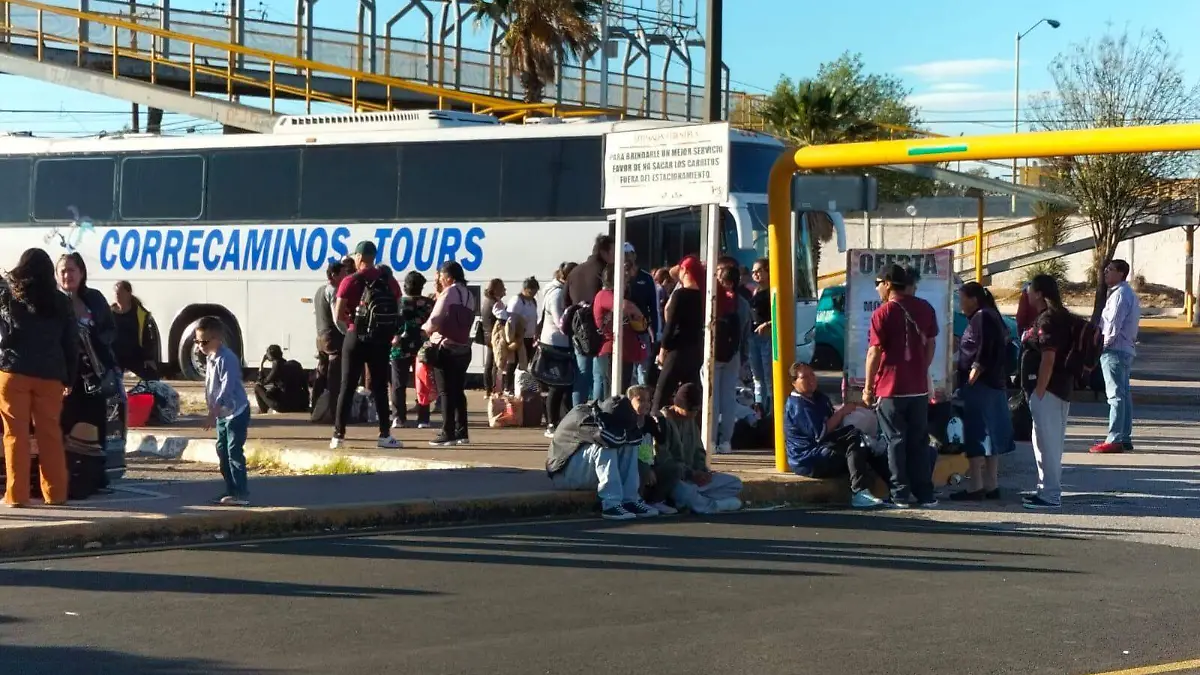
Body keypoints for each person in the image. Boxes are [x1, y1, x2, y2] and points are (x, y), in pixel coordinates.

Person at [0, 249, 77, 507]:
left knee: (15, 435)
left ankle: (16, 495)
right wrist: (70, 377)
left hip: (14, 372)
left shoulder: (9, 296)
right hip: (50, 375)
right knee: (50, 434)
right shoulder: (61, 302)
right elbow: (71, 343)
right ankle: (55, 494)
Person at [863, 264, 939, 509]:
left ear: (887, 283)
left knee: (895, 441)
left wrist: (867, 387)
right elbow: (931, 345)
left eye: (878, 284)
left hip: (890, 389)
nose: (877, 289)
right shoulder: (925, 308)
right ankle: (925, 494)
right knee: (918, 441)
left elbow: (874, 352)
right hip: (918, 389)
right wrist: (920, 368)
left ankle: (900, 495)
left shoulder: (882, 314)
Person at [330, 241, 403, 450]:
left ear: (359, 258)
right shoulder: (388, 280)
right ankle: (385, 435)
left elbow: (338, 314)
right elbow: (397, 307)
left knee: (347, 386)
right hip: (380, 339)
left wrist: (351, 327)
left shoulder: (350, 281)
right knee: (380, 387)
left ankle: (338, 436)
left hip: (355, 337)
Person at [784, 362, 888, 509]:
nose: (811, 379)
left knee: (863, 442)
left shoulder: (818, 397)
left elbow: (832, 417)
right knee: (854, 439)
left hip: (823, 448)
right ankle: (859, 492)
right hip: (808, 458)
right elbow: (820, 434)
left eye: (812, 374)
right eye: (804, 377)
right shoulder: (798, 405)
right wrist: (842, 412)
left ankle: (896, 488)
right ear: (794, 382)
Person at [56, 253, 119, 488]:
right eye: (62, 270)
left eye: (71, 270)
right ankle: (69, 474)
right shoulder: (54, 301)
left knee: (96, 423)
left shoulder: (94, 298)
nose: (67, 275)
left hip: (96, 372)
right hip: (67, 376)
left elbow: (110, 330)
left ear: (81, 273)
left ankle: (96, 475)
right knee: (67, 424)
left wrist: (92, 333)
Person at [546, 394, 659, 520]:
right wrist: (627, 432)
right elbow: (608, 440)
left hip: (584, 472)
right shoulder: (583, 416)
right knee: (604, 447)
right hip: (563, 474)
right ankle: (611, 504)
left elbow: (636, 440)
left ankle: (630, 499)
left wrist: (629, 430)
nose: (646, 405)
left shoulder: (618, 418)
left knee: (630, 445)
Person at [949, 282, 1014, 501]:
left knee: (976, 434)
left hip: (981, 385)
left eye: (962, 299)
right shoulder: (988, 315)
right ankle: (991, 484)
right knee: (989, 434)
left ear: (974, 299)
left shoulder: (982, 317)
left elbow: (985, 348)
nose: (960, 304)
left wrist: (974, 373)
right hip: (991, 384)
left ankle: (976, 485)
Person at [1020, 274, 1075, 510]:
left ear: (1040, 293)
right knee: (1049, 442)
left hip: (1049, 391)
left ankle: (1050, 494)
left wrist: (1039, 391)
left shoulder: (1048, 319)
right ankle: (1045, 489)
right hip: (1059, 388)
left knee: (1047, 443)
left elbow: (1048, 357)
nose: (1028, 294)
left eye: (1030, 290)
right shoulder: (1061, 316)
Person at [655, 383, 744, 514]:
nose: (694, 414)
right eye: (692, 410)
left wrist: (703, 472)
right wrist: (690, 473)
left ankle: (694, 502)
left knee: (735, 484)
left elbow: (699, 451)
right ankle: (711, 506)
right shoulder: (661, 422)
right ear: (679, 405)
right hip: (676, 480)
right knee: (684, 492)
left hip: (694, 479)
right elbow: (664, 460)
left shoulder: (691, 421)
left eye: (697, 410)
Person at [196, 316, 252, 506]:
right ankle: (230, 489)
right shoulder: (210, 358)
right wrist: (212, 409)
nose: (200, 346)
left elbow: (227, 387)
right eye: (197, 341)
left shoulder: (227, 358)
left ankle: (240, 492)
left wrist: (213, 411)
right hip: (222, 413)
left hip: (236, 411)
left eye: (204, 341)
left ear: (218, 338)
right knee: (222, 450)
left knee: (233, 450)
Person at [423, 260, 475, 446]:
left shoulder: (450, 291)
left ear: (449, 278)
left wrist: (425, 328)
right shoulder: (469, 295)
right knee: (458, 391)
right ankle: (462, 433)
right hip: (463, 347)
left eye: (443, 278)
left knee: (444, 391)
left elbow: (435, 318)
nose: (442, 281)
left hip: (445, 347)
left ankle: (447, 432)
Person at [1093, 259, 1140, 454]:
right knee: (1123, 394)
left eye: (1110, 270)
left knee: (1116, 396)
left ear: (1121, 273)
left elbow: (1112, 328)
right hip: (1124, 349)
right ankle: (1124, 436)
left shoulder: (1120, 295)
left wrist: (1101, 346)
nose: (1105, 272)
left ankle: (1115, 437)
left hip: (1115, 350)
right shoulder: (1126, 293)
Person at [566, 235, 614, 406]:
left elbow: (566, 304)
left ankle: (576, 415)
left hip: (579, 331)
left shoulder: (574, 272)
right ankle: (598, 414)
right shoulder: (607, 272)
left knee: (581, 375)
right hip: (599, 329)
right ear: (604, 252)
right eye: (613, 251)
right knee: (599, 376)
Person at [652, 256, 705, 411]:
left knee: (661, 394)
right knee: (689, 395)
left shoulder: (680, 295)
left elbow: (671, 325)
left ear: (685, 271)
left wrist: (663, 349)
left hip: (678, 348)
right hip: (696, 349)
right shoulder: (705, 296)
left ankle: (656, 424)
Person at [712, 263, 752, 454]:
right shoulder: (743, 303)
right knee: (728, 399)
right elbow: (746, 334)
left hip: (713, 354)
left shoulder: (715, 301)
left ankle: (710, 440)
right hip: (733, 355)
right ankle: (726, 441)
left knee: (712, 397)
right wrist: (743, 357)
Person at [593, 264, 645, 399]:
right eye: (624, 277)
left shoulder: (619, 295)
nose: (627, 281)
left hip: (625, 352)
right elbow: (625, 306)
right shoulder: (604, 295)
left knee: (622, 392)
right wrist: (638, 314)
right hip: (612, 351)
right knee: (613, 393)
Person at [390, 271, 435, 430]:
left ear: (405, 286)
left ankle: (398, 418)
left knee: (398, 384)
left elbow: (392, 324)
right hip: (422, 348)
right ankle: (423, 418)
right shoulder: (428, 304)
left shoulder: (397, 303)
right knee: (422, 383)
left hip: (399, 348)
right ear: (421, 287)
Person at [626, 384, 678, 514]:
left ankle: (656, 501)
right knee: (643, 466)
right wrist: (646, 467)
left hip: (647, 461)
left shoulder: (648, 421)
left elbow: (661, 440)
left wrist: (660, 420)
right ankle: (635, 500)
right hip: (631, 465)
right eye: (640, 400)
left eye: (648, 400)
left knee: (673, 468)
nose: (645, 404)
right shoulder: (627, 421)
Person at [539, 262, 577, 437]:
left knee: (565, 386)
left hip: (562, 343)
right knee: (557, 384)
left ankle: (560, 421)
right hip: (554, 343)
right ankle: (551, 423)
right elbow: (559, 321)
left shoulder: (561, 291)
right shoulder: (555, 295)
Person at [311, 260, 348, 411]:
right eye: (343, 273)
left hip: (320, 337)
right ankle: (334, 409)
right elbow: (337, 317)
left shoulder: (319, 290)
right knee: (334, 375)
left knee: (321, 372)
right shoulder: (333, 290)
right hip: (332, 337)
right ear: (334, 275)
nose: (346, 276)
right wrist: (347, 333)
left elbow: (315, 313)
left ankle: (315, 406)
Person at [622, 243, 660, 387]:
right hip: (624, 333)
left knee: (643, 371)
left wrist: (656, 333)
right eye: (623, 254)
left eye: (629, 253)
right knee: (627, 373)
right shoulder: (616, 277)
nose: (626, 257)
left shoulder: (647, 278)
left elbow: (654, 308)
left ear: (634, 255)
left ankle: (643, 401)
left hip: (642, 332)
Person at [110, 280, 160, 380]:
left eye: (120, 293)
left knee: (152, 377)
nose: (117, 295)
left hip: (135, 355)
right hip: (115, 356)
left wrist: (148, 358)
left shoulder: (140, 314)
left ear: (129, 294)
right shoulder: (108, 313)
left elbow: (147, 338)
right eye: (116, 293)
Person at [503, 277, 540, 394]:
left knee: (525, 363)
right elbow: (510, 320)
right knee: (513, 363)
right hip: (518, 337)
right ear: (525, 289)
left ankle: (521, 386)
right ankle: (508, 387)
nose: (533, 294)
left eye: (535, 292)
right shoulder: (517, 301)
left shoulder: (532, 301)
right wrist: (513, 339)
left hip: (529, 337)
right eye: (531, 292)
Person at [747, 258, 773, 411]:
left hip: (767, 336)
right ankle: (760, 409)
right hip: (753, 337)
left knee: (768, 377)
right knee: (757, 377)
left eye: (759, 271)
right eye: (753, 272)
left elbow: (781, 315)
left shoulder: (773, 291)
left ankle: (770, 410)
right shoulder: (755, 291)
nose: (755, 274)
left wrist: (768, 324)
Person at [254, 345, 308, 414]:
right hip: (299, 404)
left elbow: (262, 382)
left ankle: (263, 412)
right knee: (273, 390)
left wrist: (261, 364)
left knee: (257, 387)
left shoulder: (277, 365)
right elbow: (304, 384)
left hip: (283, 406)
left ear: (270, 356)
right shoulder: (295, 364)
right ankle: (262, 410)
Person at [480, 278, 506, 397]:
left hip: (487, 335)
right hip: (494, 336)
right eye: (502, 288)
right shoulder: (495, 303)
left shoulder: (487, 301)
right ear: (496, 289)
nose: (504, 290)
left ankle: (488, 389)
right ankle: (495, 388)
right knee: (496, 363)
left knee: (489, 363)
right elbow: (502, 318)